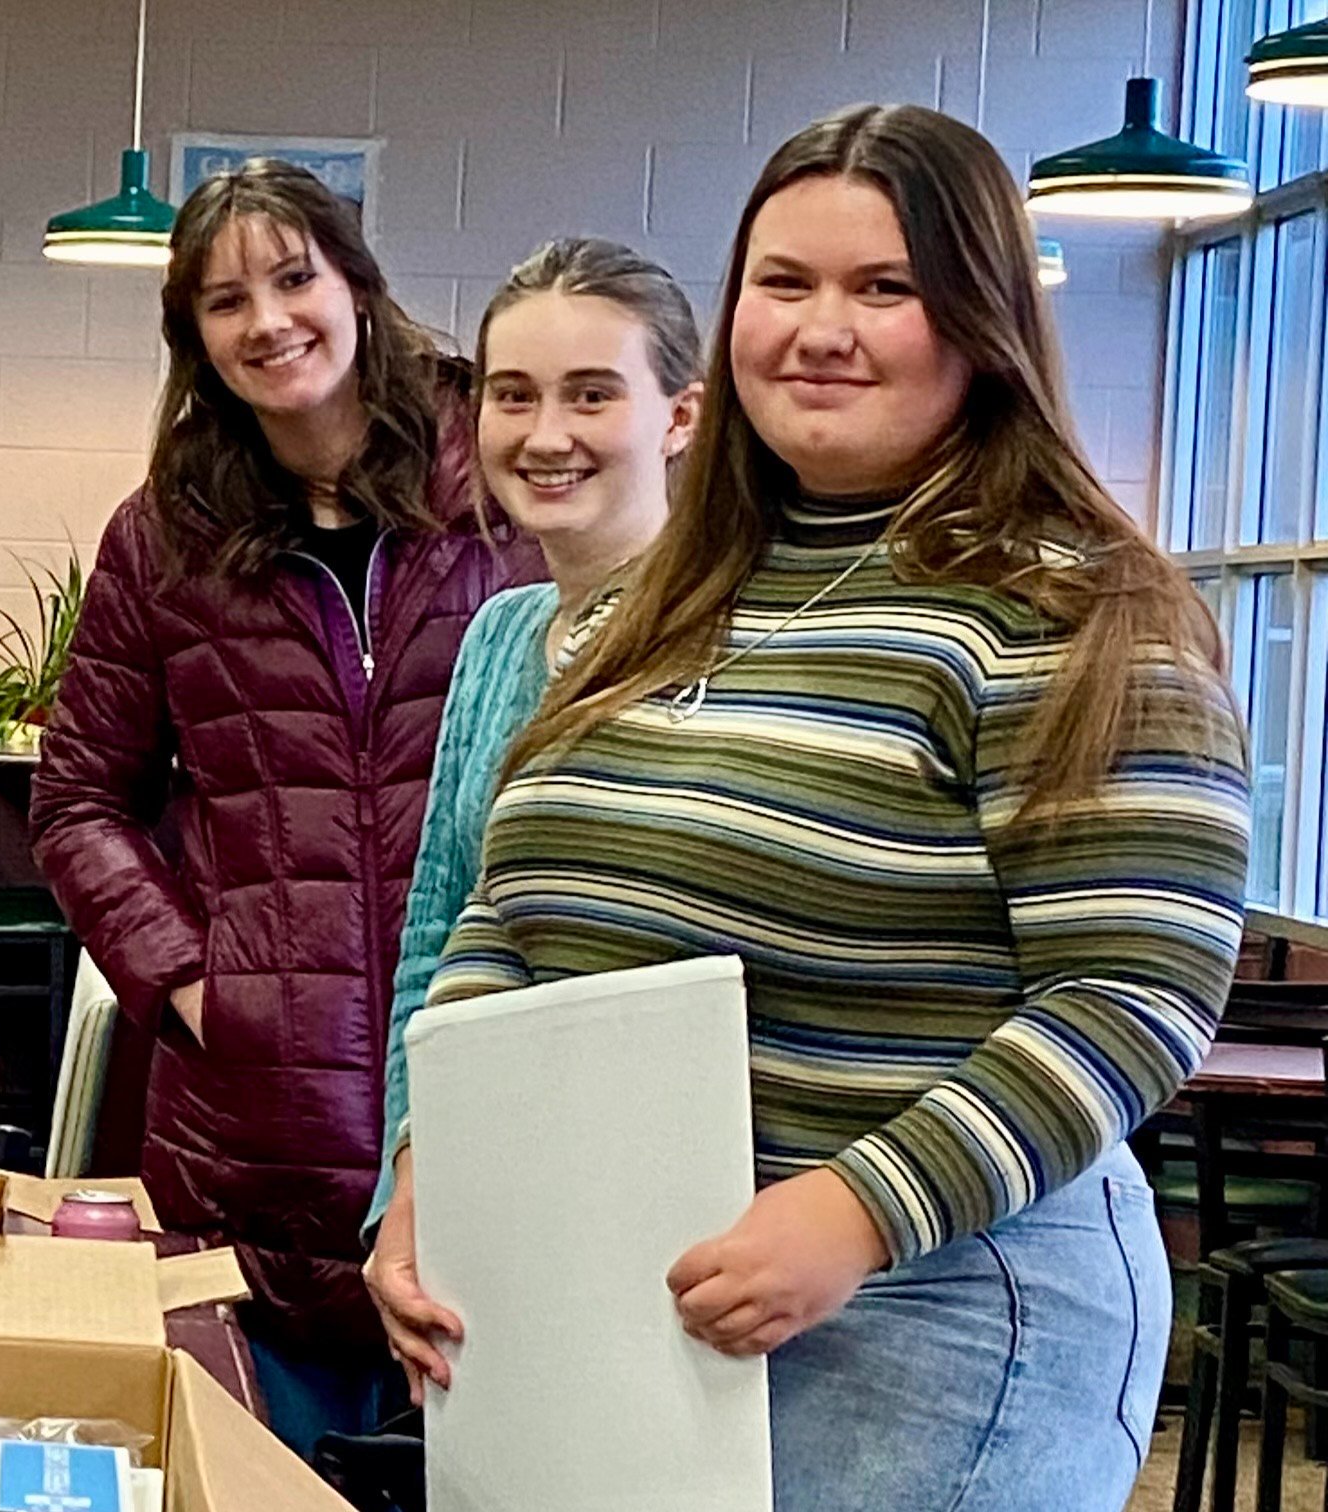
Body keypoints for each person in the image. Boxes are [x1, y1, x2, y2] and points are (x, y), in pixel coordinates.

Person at [364, 104, 1246, 1510]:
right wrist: (438, 1170)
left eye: (884, 287)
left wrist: (855, 1211)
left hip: (931, 1313)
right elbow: (507, 915)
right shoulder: (660, 604)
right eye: (784, 283)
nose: (821, 330)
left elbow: (1133, 996)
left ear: (982, 319)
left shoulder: (1074, 613)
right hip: (624, 1299)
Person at [27, 158, 542, 1456]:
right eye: (224, 301)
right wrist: (196, 986)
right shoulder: (166, 537)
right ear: (194, 340)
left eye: (293, 278)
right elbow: (78, 799)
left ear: (356, 286)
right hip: (250, 1151)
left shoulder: (503, 488)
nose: (268, 321)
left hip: (493, 1117)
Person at [361, 238, 702, 1235]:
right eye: (513, 396)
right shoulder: (499, 634)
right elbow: (436, 933)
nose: (546, 436)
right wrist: (407, 1186)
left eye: (592, 395)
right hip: (494, 1170)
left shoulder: (724, 633)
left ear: (681, 417)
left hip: (672, 1183)